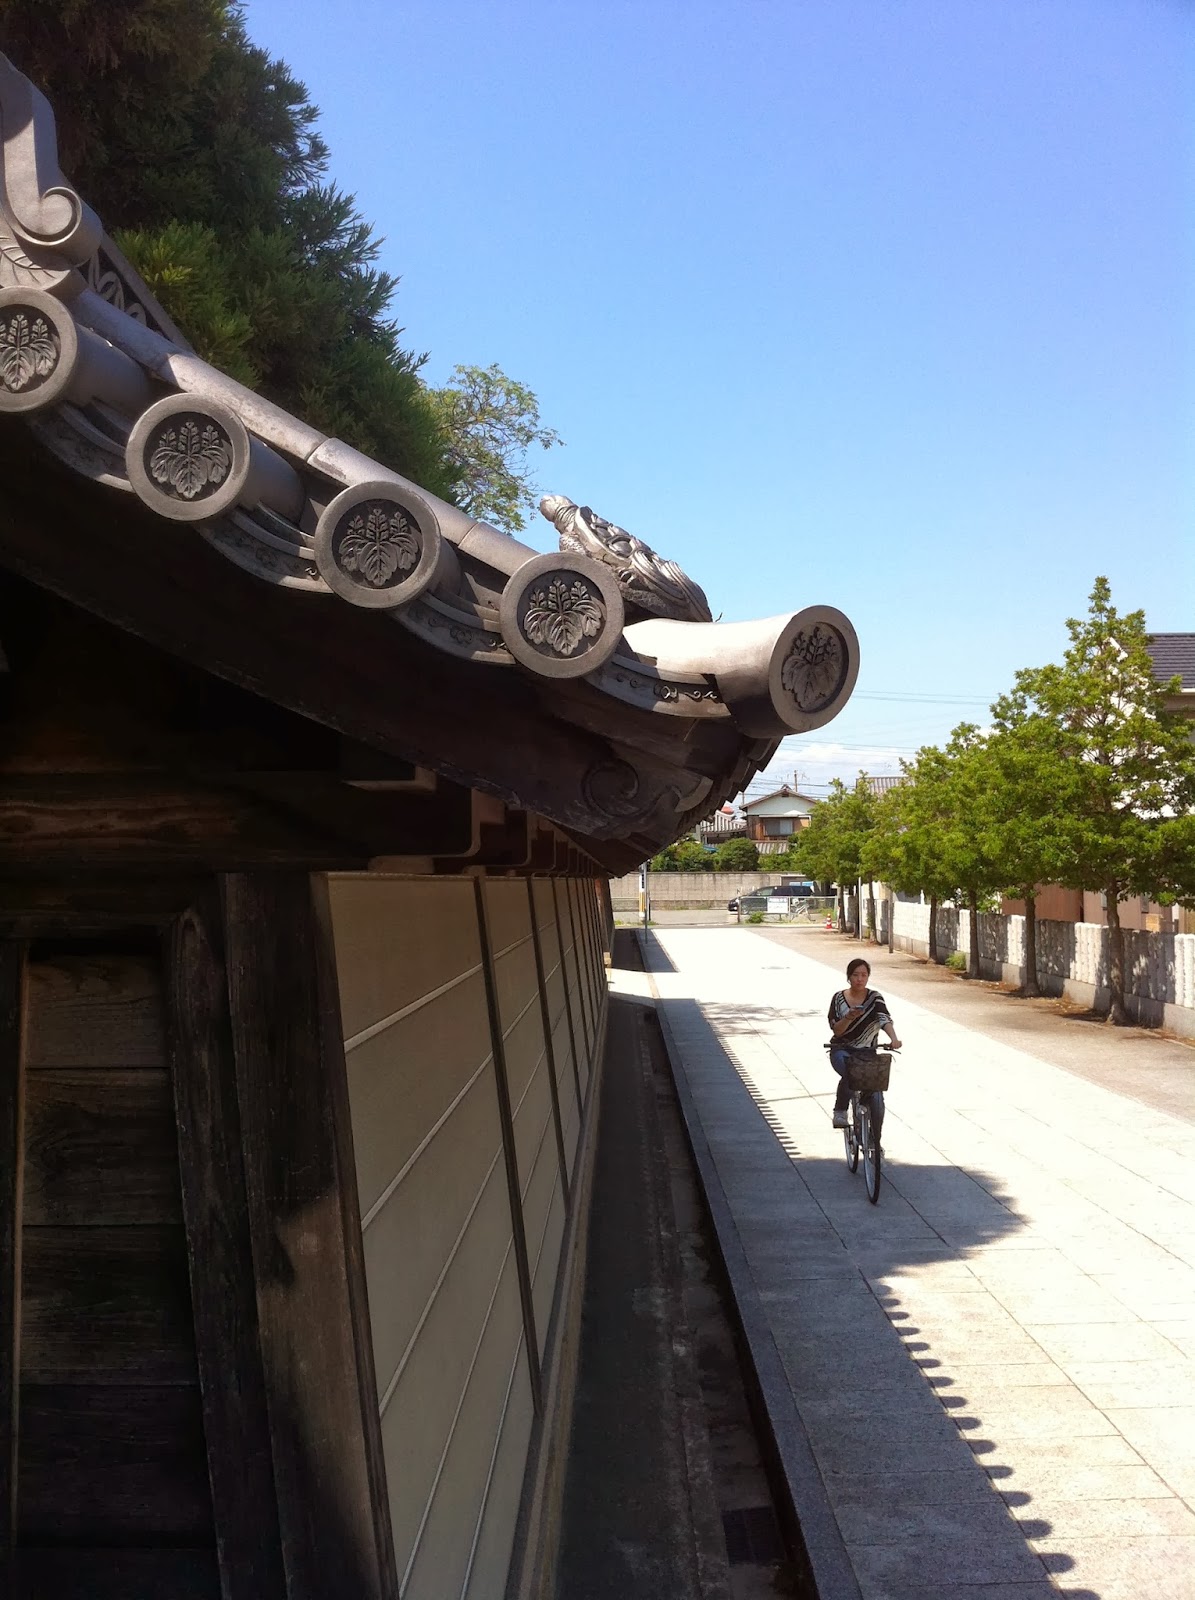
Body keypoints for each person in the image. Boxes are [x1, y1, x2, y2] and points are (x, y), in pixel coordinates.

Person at [828, 957, 901, 1129]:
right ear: (848, 977)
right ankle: (840, 1110)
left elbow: (884, 1019)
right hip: (842, 1049)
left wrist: (894, 1039)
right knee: (850, 1072)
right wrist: (848, 1017)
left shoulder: (875, 998)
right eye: (855, 975)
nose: (859, 979)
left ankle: (876, 1142)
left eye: (864, 975)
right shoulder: (838, 999)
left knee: (877, 1098)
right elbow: (836, 1030)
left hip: (867, 1052)